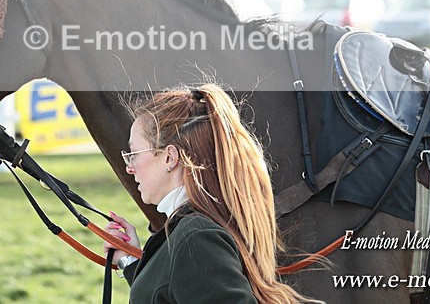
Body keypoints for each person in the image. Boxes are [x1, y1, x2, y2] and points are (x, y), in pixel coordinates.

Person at [103, 83, 316, 303]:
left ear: (169, 157)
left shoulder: (195, 236)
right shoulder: (192, 231)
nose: (129, 167)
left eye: (134, 153)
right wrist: (129, 261)